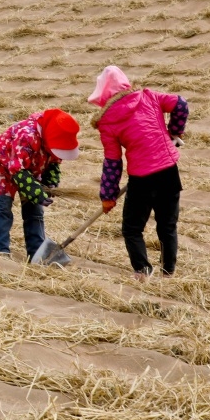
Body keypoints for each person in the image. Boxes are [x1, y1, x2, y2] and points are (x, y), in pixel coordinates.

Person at [88, 65, 189, 280]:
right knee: (167, 225)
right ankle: (168, 271)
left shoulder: (107, 122)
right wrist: (175, 131)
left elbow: (113, 162)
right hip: (169, 172)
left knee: (132, 229)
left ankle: (143, 271)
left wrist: (108, 196)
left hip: (142, 180)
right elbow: (180, 104)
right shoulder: (149, 97)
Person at [0, 108, 81, 260]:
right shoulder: (27, 136)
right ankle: (0, 250)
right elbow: (17, 169)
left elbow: (53, 164)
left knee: (34, 212)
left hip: (30, 171)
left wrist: (50, 183)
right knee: (3, 208)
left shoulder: (54, 142)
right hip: (4, 169)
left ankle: (36, 252)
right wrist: (37, 193)